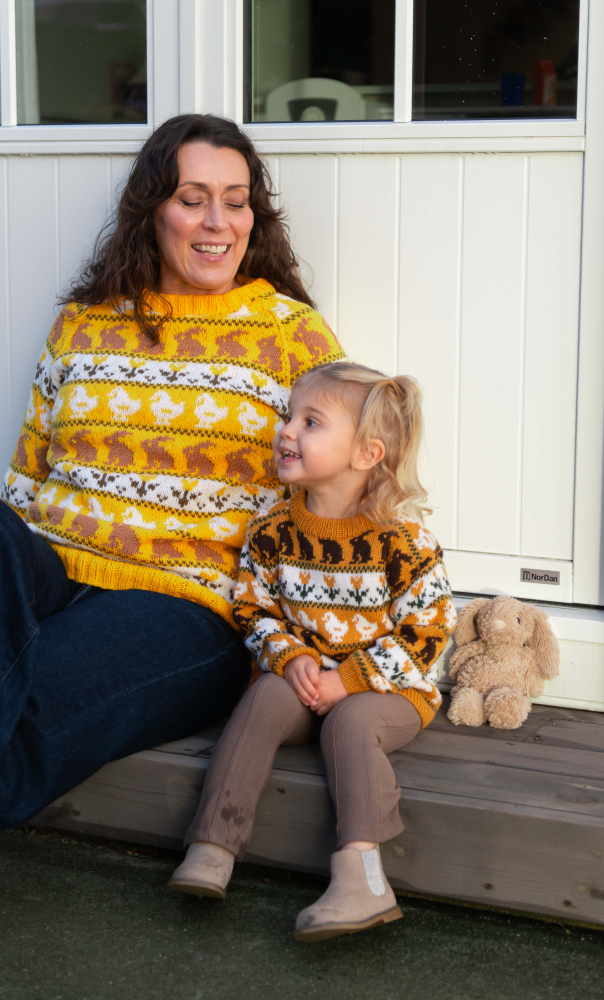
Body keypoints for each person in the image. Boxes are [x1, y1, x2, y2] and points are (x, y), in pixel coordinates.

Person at [0, 113, 343, 851]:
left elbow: (334, 491)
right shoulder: (82, 323)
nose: (217, 221)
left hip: (186, 602)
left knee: (15, 720)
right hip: (52, 569)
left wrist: (309, 637)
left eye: (235, 201)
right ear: (151, 210)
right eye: (192, 199)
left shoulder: (292, 336)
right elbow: (29, 469)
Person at [168, 361, 456, 942]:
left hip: (389, 692)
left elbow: (428, 631)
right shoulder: (272, 528)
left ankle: (362, 877)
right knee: (264, 697)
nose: (287, 430)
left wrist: (347, 681)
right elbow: (253, 608)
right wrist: (289, 656)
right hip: (307, 681)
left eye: (311, 422)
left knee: (350, 723)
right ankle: (213, 844)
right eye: (289, 416)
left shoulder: (402, 539)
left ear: (366, 454)